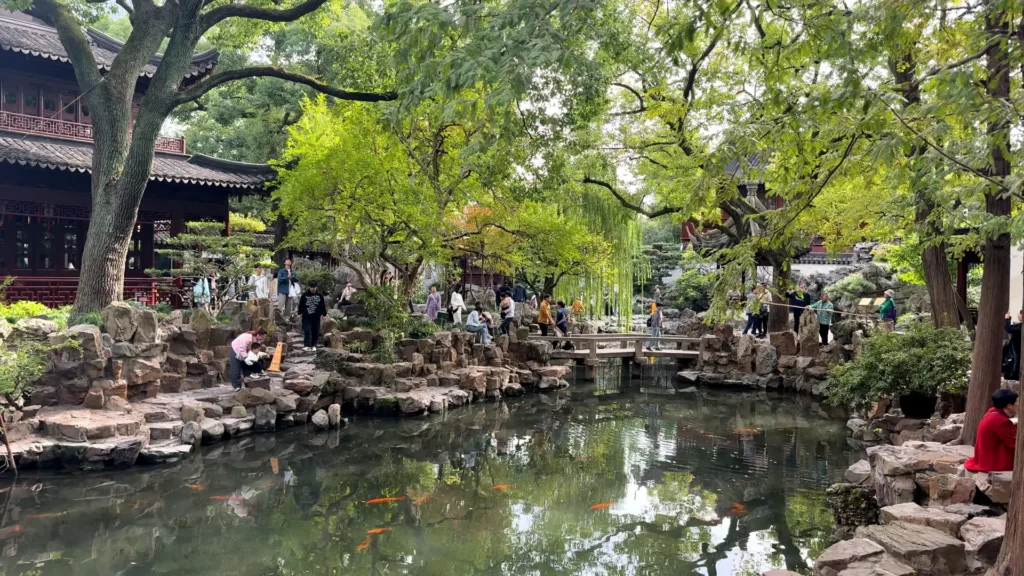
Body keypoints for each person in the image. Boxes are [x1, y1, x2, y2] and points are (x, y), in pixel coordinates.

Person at [964, 389, 1018, 473]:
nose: (1019, 404)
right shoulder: (1000, 421)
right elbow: (1014, 445)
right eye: (1017, 402)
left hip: (984, 458)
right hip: (994, 462)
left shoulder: (992, 412)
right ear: (1009, 405)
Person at [298, 280, 327, 351]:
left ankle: (314, 345)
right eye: (311, 287)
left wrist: (324, 314)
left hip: (316, 316)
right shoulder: (305, 295)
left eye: (314, 287)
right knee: (307, 330)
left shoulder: (320, 295)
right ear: (309, 287)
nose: (313, 289)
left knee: (315, 330)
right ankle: (307, 345)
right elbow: (301, 304)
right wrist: (299, 313)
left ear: (316, 287)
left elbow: (322, 305)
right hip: (306, 316)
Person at [1004, 311, 1022, 380]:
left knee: (1015, 360)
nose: (1018, 316)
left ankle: (1014, 374)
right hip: (1017, 346)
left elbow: (1008, 328)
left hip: (1017, 347)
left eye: (1020, 314)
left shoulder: (1020, 326)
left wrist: (1007, 319)